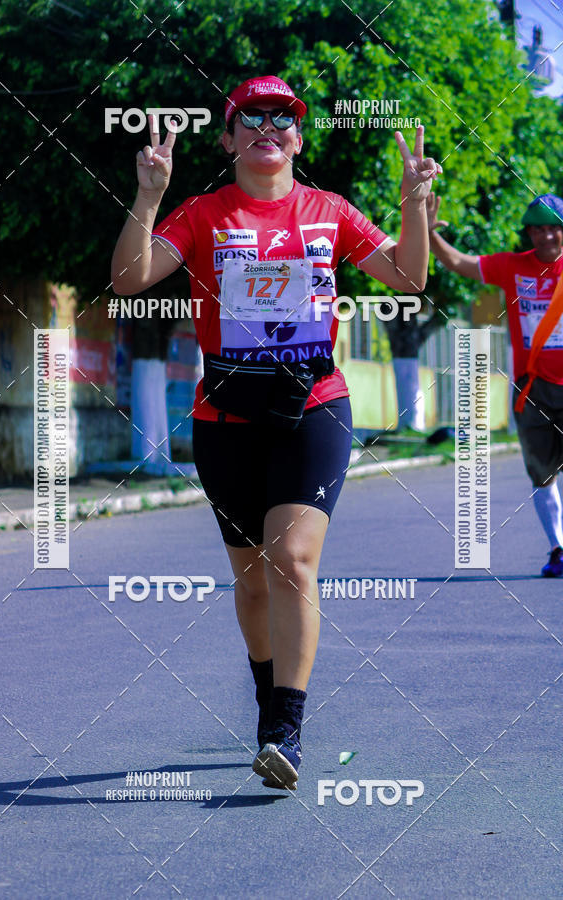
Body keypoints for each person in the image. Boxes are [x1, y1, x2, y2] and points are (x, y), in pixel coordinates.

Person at [112, 75, 441, 790]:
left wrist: (415, 205)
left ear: (298, 139)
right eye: (251, 116)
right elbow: (130, 279)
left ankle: (286, 729)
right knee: (253, 581)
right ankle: (267, 700)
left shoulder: (329, 210)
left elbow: (409, 277)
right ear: (228, 138)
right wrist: (149, 196)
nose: (268, 126)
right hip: (225, 418)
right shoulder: (203, 214)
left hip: (313, 407)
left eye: (283, 117)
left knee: (291, 560)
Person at [426, 191, 563, 577]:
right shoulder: (512, 267)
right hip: (532, 390)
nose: (547, 236)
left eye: (554, 228)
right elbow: (457, 262)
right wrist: (429, 233)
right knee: (542, 474)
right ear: (529, 233)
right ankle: (558, 549)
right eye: (538, 229)